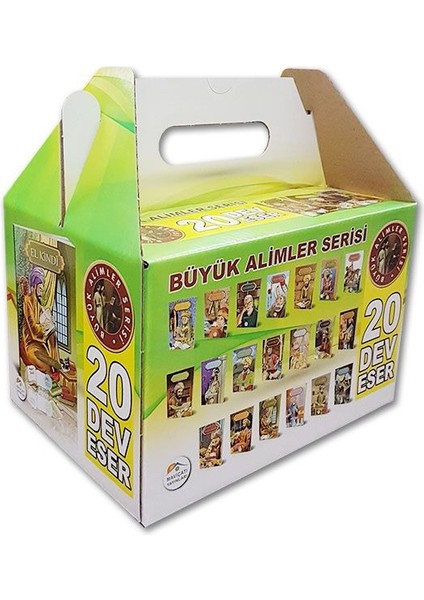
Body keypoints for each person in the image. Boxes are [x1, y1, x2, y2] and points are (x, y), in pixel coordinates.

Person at [20, 267, 60, 376]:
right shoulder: (28, 301)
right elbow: (33, 329)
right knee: (45, 366)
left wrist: (49, 322)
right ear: (35, 286)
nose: (41, 292)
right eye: (40, 289)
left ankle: (56, 368)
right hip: (31, 344)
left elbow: (44, 316)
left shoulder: (38, 303)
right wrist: (44, 326)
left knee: (53, 335)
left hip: (40, 343)